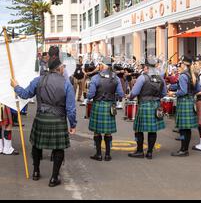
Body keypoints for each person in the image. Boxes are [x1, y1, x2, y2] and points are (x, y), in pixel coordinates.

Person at [12, 55, 77, 187]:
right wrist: (73, 124)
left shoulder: (38, 80)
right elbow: (71, 108)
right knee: (59, 148)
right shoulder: (67, 84)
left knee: (37, 145)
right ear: (59, 69)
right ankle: (54, 178)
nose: (64, 69)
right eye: (63, 67)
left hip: (41, 117)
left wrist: (16, 86)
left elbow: (25, 94)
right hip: (58, 119)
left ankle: (36, 171)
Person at [128, 57, 167, 159]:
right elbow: (164, 93)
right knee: (152, 130)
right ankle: (149, 152)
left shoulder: (142, 77)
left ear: (146, 67)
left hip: (144, 105)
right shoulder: (160, 78)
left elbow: (135, 92)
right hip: (156, 105)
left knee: (138, 129)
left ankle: (140, 151)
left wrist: (130, 96)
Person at [87, 57, 124, 161]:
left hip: (98, 105)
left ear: (102, 65)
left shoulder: (95, 78)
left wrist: (90, 95)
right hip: (110, 106)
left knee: (97, 131)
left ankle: (98, 154)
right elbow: (121, 94)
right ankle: (107, 155)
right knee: (108, 131)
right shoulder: (115, 78)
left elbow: (90, 95)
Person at [168, 56, 197, 157]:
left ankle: (183, 150)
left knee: (183, 128)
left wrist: (174, 93)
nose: (178, 66)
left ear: (184, 64)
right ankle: (184, 149)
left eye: (180, 64)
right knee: (186, 128)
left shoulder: (183, 75)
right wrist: (171, 86)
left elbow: (183, 91)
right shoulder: (191, 74)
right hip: (190, 101)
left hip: (184, 102)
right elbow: (195, 88)